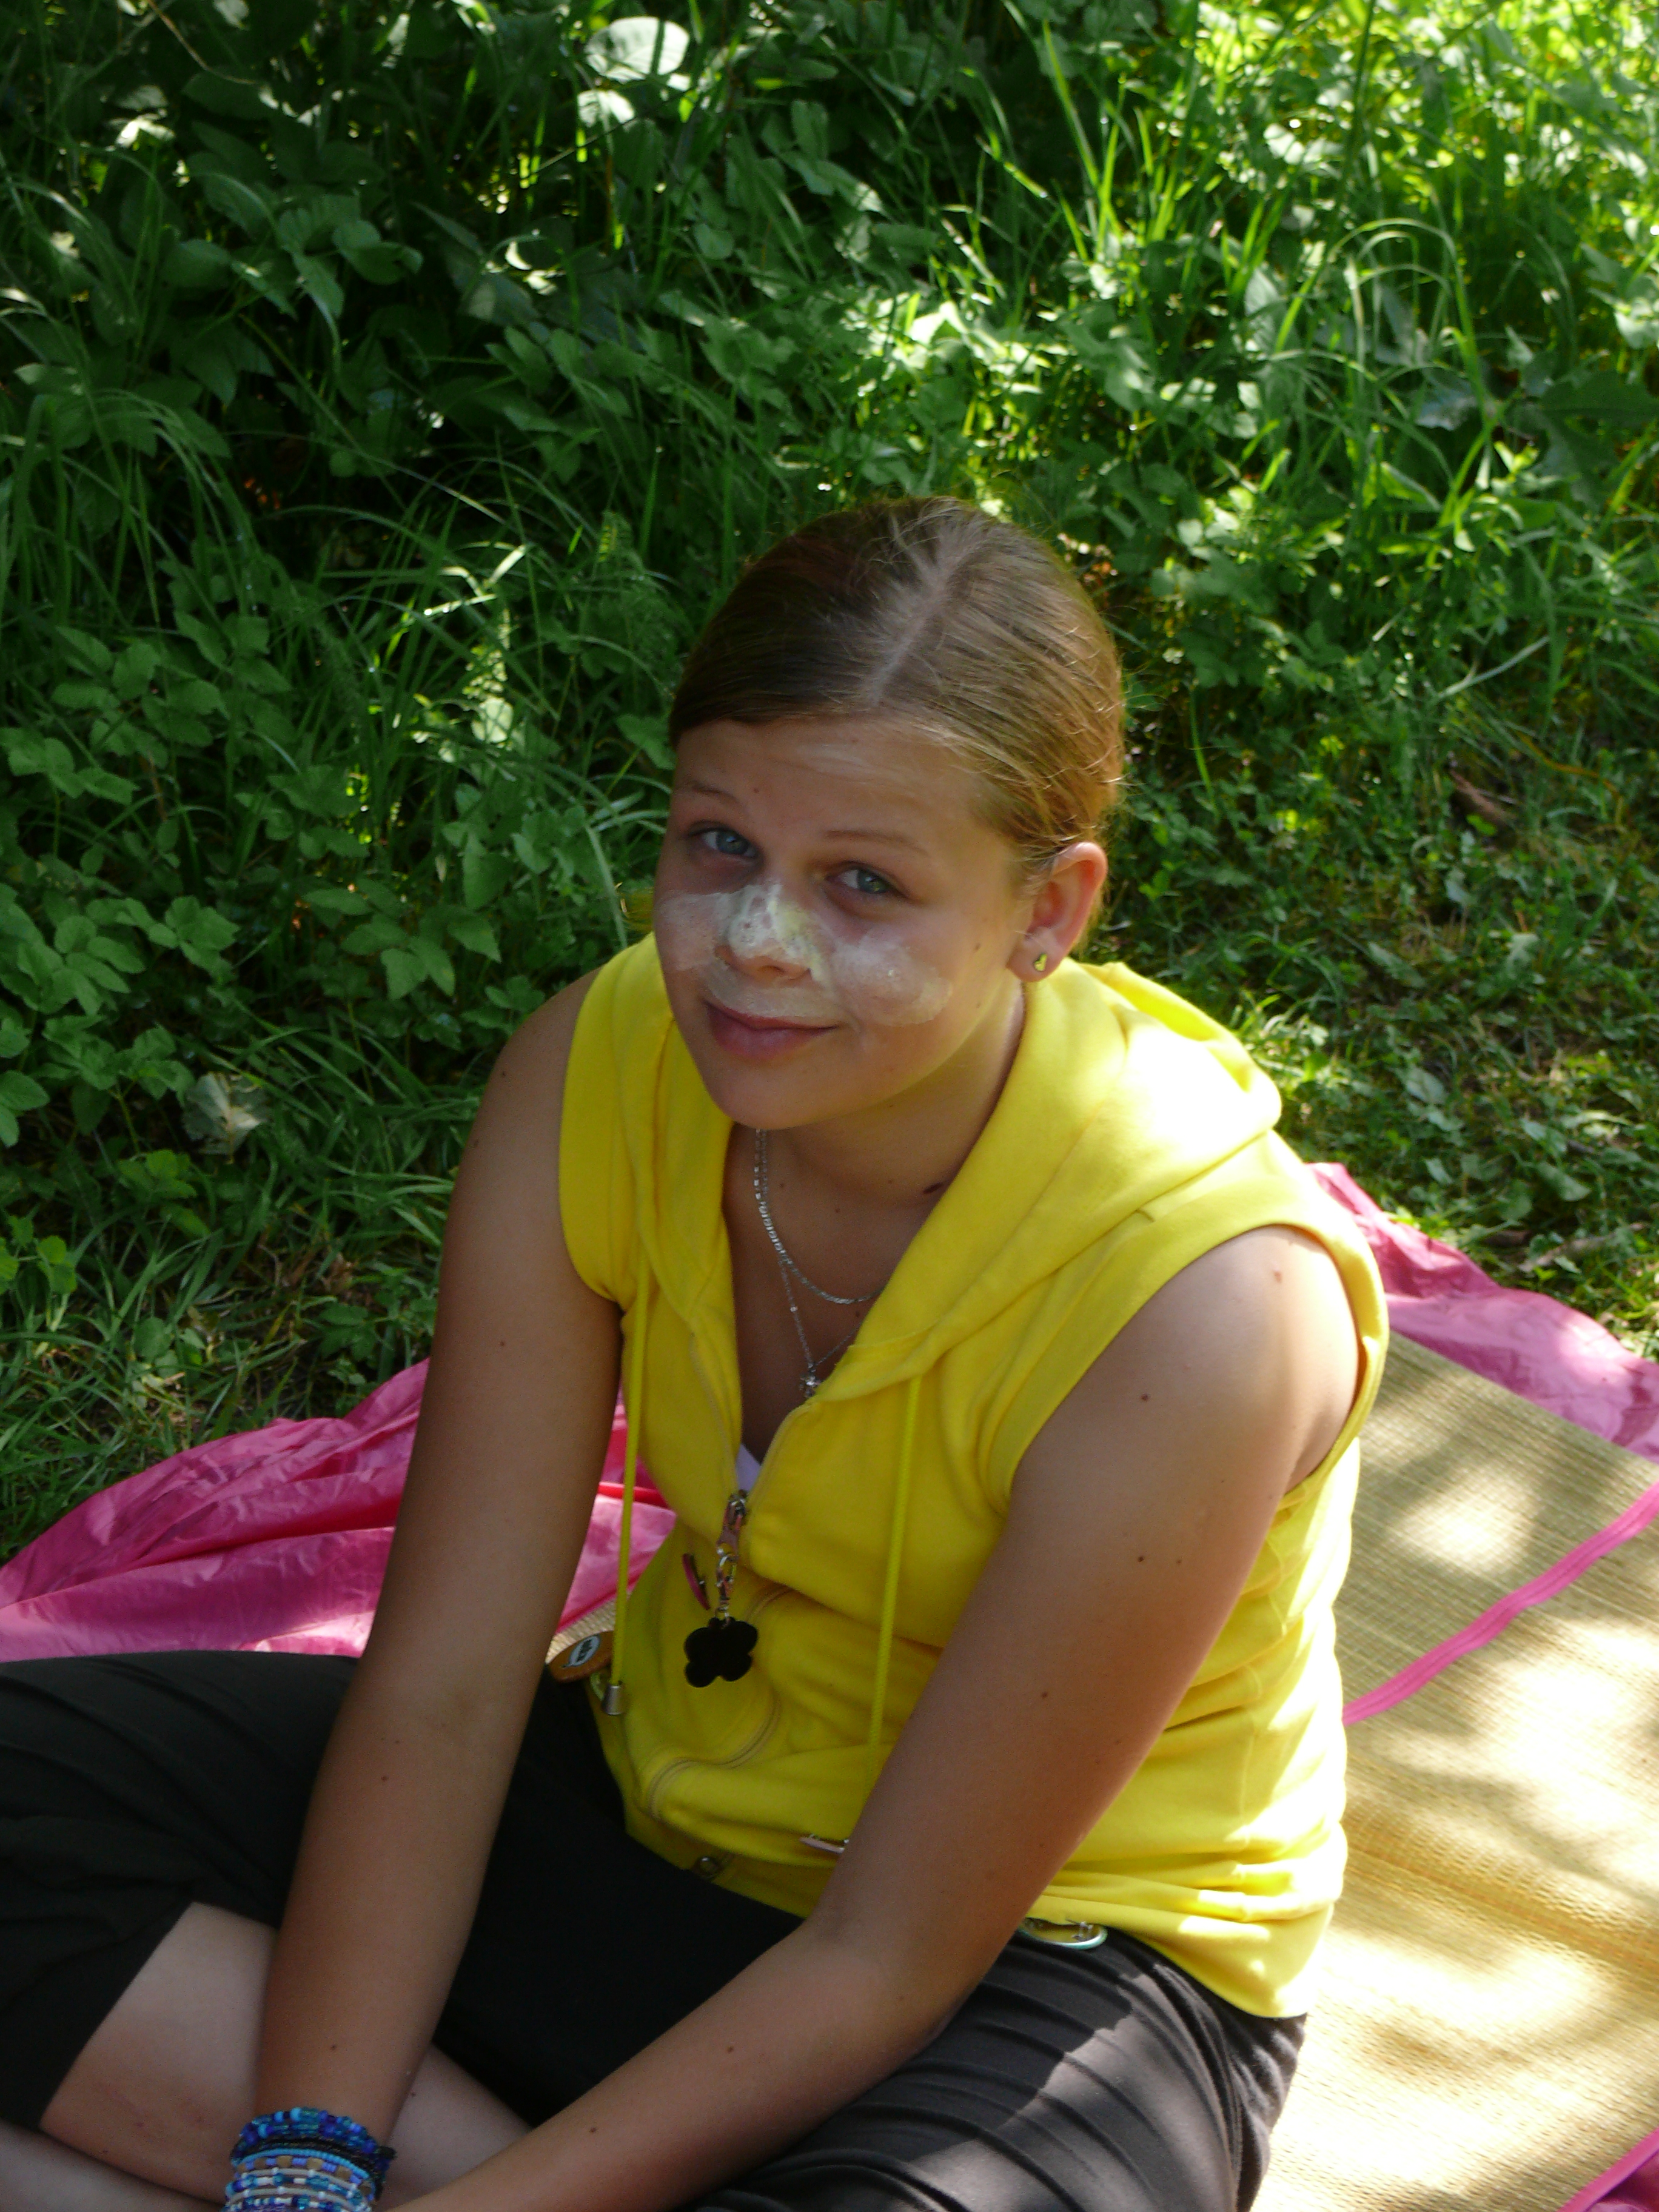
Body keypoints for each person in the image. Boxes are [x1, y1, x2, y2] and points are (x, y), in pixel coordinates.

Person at [0, 497, 1384, 2212]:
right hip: (651, 1811)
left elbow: (892, 1955)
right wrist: (305, 2159)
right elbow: (442, 1692)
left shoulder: (1207, 1307)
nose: (757, 947)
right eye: (719, 843)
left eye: (864, 884)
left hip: (1047, 1961)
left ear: (1050, 908)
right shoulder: (598, 1065)